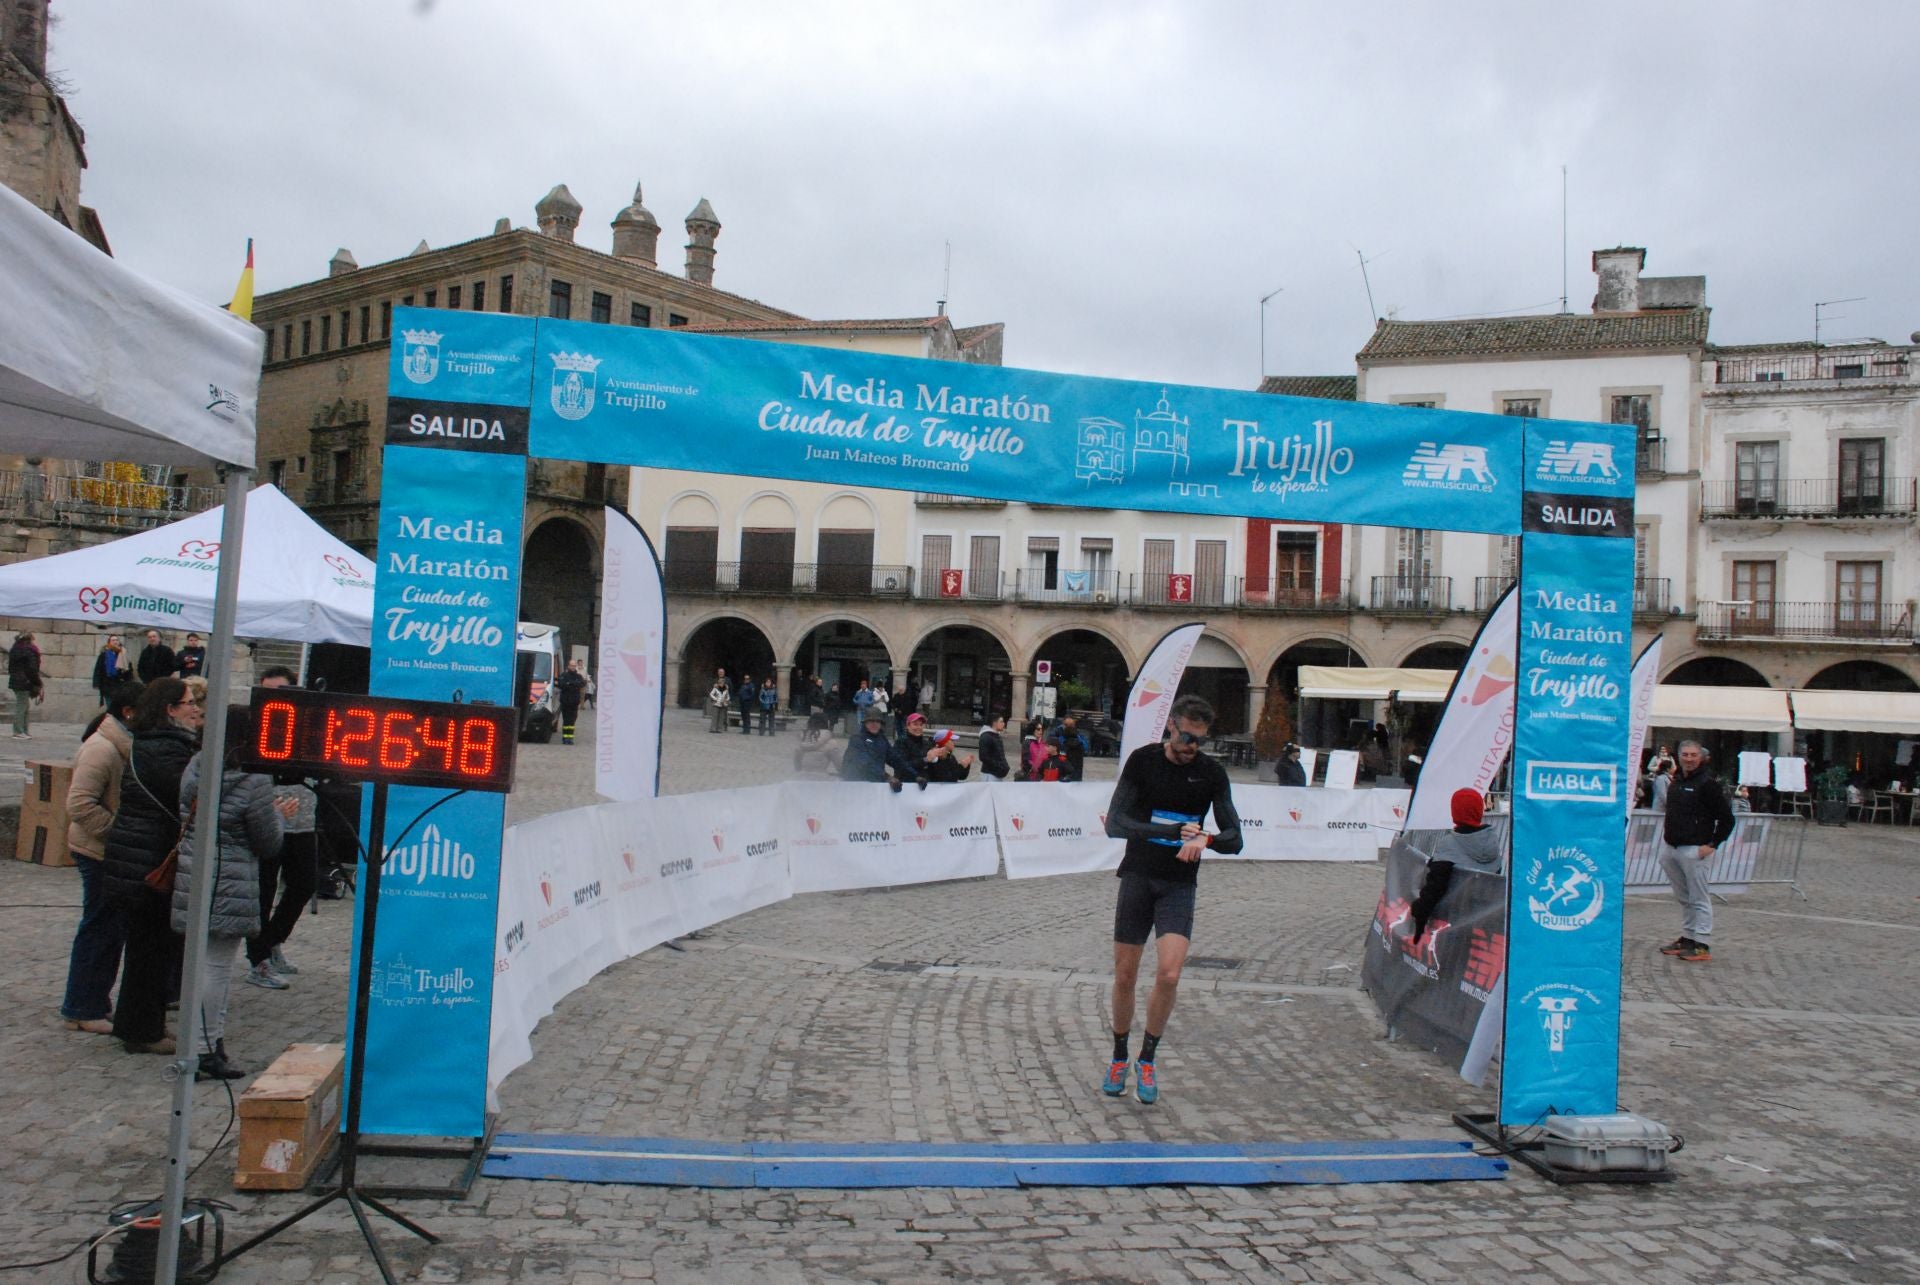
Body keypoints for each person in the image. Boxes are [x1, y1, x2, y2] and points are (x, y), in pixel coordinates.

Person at [1100, 695, 1243, 1105]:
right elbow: (1115, 823)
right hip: (1139, 877)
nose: (1189, 747)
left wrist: (1207, 838)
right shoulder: (1143, 762)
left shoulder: (1211, 773)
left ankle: (1147, 1058)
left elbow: (1236, 837)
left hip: (1179, 884)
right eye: (1184, 737)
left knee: (1169, 975)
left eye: (1198, 741)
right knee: (1125, 975)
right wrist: (1165, 831)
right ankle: (1118, 1055)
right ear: (1171, 727)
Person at [176, 705, 295, 1080]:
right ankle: (205, 1047)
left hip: (194, 870)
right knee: (217, 967)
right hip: (229, 879)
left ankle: (199, 1043)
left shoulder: (197, 765)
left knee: (199, 963)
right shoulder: (253, 781)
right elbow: (268, 842)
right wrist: (279, 815)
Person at [101, 678, 204, 1054]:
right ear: (169, 709)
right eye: (189, 703)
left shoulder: (161, 745)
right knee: (149, 951)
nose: (196, 708)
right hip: (146, 862)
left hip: (143, 857)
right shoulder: (163, 750)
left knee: (153, 949)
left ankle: (144, 1023)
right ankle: (142, 1030)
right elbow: (187, 795)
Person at [60, 679, 145, 1034]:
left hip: (108, 850)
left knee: (109, 929)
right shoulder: (102, 748)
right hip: (96, 850)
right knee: (98, 928)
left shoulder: (120, 744)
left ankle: (93, 1001)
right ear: (129, 712)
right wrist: (117, 833)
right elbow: (79, 804)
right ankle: (82, 1006)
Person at [245, 666, 317, 990]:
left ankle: (272, 940)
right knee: (263, 889)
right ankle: (257, 959)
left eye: (280, 691)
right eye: (267, 692)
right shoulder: (254, 728)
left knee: (304, 883)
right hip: (268, 820)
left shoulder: (309, 727)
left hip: (303, 821)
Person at [1658, 741, 1735, 963]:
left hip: (1695, 848)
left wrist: (1712, 844)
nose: (1689, 759)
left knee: (1699, 897)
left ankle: (1702, 942)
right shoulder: (1677, 780)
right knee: (1684, 896)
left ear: (1701, 757)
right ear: (1678, 756)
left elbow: (1727, 818)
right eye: (1685, 754)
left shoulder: (1708, 784)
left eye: (1693, 755)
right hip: (1672, 847)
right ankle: (1688, 936)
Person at [1408, 789, 1504, 938]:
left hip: (1453, 923)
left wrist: (1419, 911)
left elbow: (1435, 887)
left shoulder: (1449, 845)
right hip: (1485, 923)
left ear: (1455, 812)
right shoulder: (1493, 843)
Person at [839, 707, 922, 785]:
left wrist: (915, 776)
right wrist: (887, 777)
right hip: (855, 784)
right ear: (865, 723)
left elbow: (895, 759)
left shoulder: (882, 740)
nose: (874, 724)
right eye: (871, 721)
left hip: (876, 785)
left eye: (877, 721)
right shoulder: (857, 739)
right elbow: (866, 764)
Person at [7, 630, 42, 739]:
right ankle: (18, 731)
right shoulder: (29, 651)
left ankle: (23, 730)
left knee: (24, 705)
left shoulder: (15, 649)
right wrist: (38, 682)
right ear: (29, 640)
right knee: (22, 706)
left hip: (16, 680)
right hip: (24, 681)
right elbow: (32, 669)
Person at [556, 659, 588, 745]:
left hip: (574, 702)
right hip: (565, 702)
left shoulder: (578, 676)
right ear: (568, 666)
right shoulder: (564, 675)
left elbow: (581, 684)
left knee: (572, 720)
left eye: (574, 666)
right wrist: (572, 684)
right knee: (566, 720)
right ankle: (565, 738)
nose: (573, 667)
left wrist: (570, 684)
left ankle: (570, 738)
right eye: (571, 665)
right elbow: (561, 684)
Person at [1049, 716, 1090, 782]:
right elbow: (1050, 746)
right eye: (1066, 725)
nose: (1068, 726)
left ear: (1074, 725)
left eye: (1071, 725)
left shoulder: (1079, 734)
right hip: (1061, 771)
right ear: (1063, 724)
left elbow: (1086, 748)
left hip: (1076, 771)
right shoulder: (1056, 733)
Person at [91, 634, 127, 706]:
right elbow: (98, 669)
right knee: (110, 706)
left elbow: (128, 668)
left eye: (117, 640)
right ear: (109, 643)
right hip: (107, 685)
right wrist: (96, 683)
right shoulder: (104, 655)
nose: (115, 642)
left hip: (120, 684)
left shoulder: (123, 654)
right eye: (113, 640)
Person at [977, 715, 1011, 781]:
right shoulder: (986, 736)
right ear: (994, 723)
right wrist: (998, 766)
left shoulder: (996, 735)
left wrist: (1004, 766)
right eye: (1001, 722)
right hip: (989, 774)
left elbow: (1000, 755)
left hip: (997, 774)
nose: (1003, 724)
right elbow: (983, 756)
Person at [708, 669, 731, 734]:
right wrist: (715, 699)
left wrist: (727, 700)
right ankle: (713, 728)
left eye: (722, 683)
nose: (721, 684)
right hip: (716, 703)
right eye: (720, 683)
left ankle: (720, 728)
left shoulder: (726, 689)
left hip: (723, 704)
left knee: (722, 717)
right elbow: (711, 694)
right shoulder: (715, 687)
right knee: (715, 716)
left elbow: (728, 695)